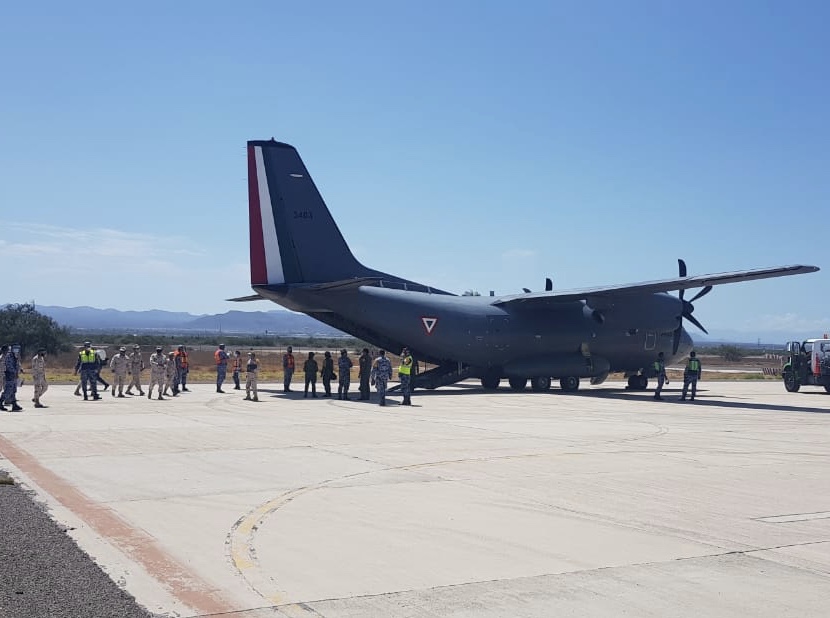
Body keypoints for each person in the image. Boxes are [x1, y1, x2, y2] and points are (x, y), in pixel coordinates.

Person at [1, 344, 23, 411]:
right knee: (8, 391)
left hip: (14, 376)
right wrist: (14, 372)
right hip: (10, 375)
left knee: (13, 390)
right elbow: (9, 366)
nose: (17, 350)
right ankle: (0, 402)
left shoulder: (15, 356)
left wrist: (19, 370)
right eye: (16, 348)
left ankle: (14, 404)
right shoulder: (8, 356)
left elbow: (17, 365)